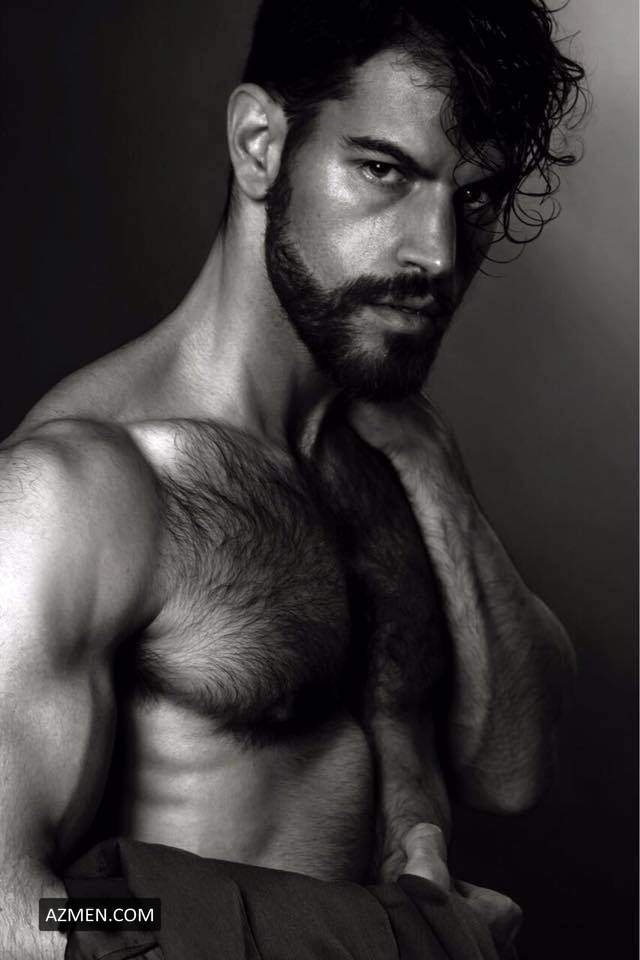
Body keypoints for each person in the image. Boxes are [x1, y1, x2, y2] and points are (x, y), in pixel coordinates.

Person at [0, 0, 586, 957]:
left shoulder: (390, 458)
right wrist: (371, 937)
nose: (437, 254)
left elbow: (511, 769)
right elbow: (20, 912)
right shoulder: (76, 491)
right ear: (260, 145)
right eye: (385, 171)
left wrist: (432, 469)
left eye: (475, 197)